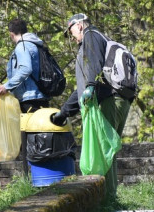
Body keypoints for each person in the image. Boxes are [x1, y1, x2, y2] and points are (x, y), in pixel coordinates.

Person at [51, 13, 133, 200]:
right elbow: (84, 84)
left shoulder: (91, 36)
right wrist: (64, 112)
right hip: (119, 99)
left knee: (105, 151)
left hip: (109, 101)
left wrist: (90, 87)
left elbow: (92, 69)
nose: (72, 37)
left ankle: (108, 199)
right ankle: (109, 197)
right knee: (108, 150)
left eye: (71, 31)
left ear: (79, 25)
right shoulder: (100, 38)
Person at [0, 18, 48, 113]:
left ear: (11, 34)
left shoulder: (22, 46)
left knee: (30, 127)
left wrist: (7, 86)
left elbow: (26, 69)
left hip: (29, 99)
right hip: (41, 97)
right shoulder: (36, 45)